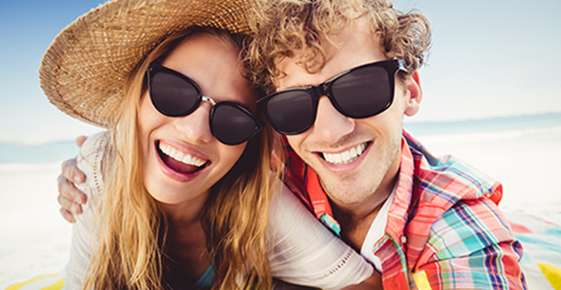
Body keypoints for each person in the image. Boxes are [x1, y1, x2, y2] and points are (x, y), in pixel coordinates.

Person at [57, 0, 527, 289]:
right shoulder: (270, 166)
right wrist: (92, 164)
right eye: (294, 107)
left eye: (360, 89)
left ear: (412, 91)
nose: (331, 130)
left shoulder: (460, 232)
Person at [41, 0, 380, 289]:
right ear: (139, 93)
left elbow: (363, 283)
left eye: (233, 118)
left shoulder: (258, 205)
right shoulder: (98, 173)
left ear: (251, 140)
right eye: (174, 92)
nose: (195, 131)